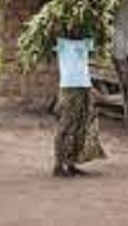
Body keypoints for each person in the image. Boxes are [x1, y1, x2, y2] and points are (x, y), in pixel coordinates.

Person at [53, 37, 106, 177]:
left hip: (84, 85)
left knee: (80, 125)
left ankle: (71, 163)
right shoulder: (61, 41)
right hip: (68, 87)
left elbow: (94, 51)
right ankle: (58, 165)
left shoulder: (86, 40)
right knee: (65, 126)